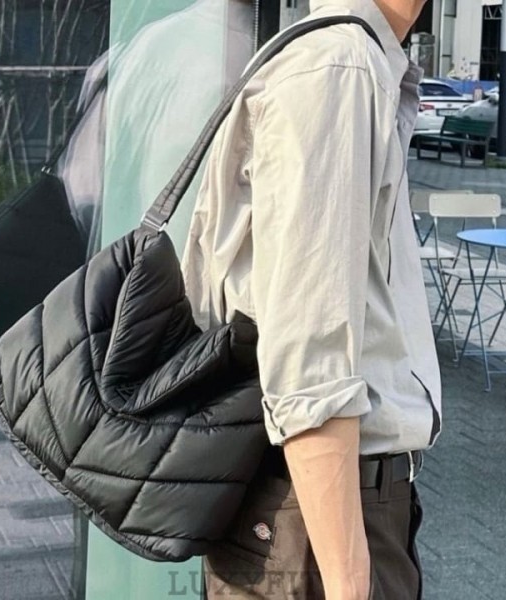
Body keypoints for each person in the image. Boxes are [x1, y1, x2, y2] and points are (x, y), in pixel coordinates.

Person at [182, 0, 441, 598]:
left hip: (317, 511)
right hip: (315, 519)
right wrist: (350, 583)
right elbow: (310, 363)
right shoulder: (336, 69)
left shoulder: (350, 60)